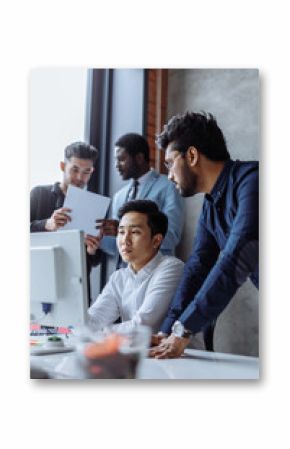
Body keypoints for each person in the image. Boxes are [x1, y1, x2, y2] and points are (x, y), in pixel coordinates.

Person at [150, 111, 259, 359]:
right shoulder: (210, 206)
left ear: (191, 155)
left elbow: (236, 257)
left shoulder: (254, 181)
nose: (168, 175)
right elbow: (197, 269)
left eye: (169, 163)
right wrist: (167, 330)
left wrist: (183, 329)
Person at [88, 200, 184, 333]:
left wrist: (98, 332)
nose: (125, 241)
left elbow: (142, 326)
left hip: (182, 353)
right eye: (121, 232)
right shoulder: (119, 277)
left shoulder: (172, 268)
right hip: (139, 352)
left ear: (156, 240)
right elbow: (94, 320)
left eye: (135, 232)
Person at [30, 141, 105, 305]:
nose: (80, 178)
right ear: (63, 166)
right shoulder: (38, 194)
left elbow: (95, 260)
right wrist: (46, 224)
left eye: (87, 172)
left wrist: (92, 250)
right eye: (75, 169)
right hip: (36, 283)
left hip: (76, 290)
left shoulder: (93, 206)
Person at [100, 133, 185, 260]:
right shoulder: (119, 196)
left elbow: (172, 236)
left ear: (139, 158)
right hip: (126, 276)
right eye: (115, 160)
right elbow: (116, 248)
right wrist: (99, 238)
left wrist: (127, 230)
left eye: (121, 159)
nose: (116, 165)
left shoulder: (169, 186)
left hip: (157, 271)